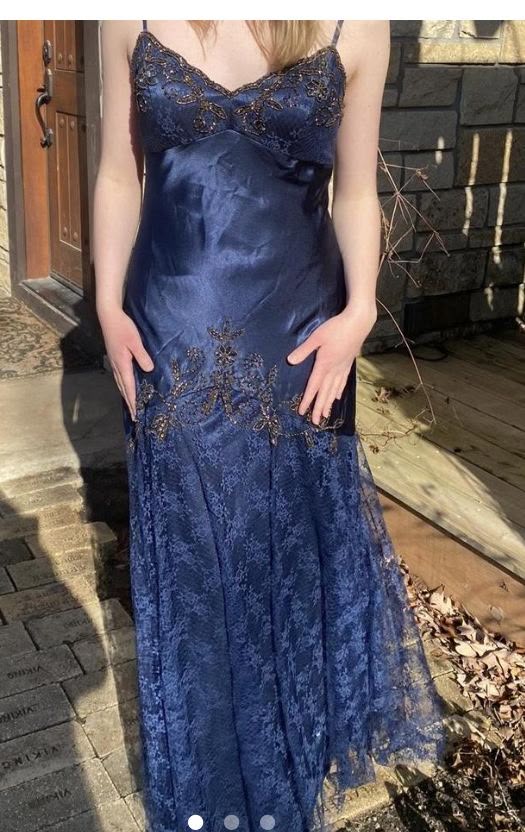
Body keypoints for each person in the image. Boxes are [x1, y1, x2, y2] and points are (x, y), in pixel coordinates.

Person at [94, 19, 447, 832]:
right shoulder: (126, 14)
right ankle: (207, 796)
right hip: (169, 336)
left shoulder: (355, 22)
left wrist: (361, 312)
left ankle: (284, 784)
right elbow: (119, 172)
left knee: (286, 561)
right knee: (193, 568)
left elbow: (353, 190)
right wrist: (107, 306)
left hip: (298, 339)